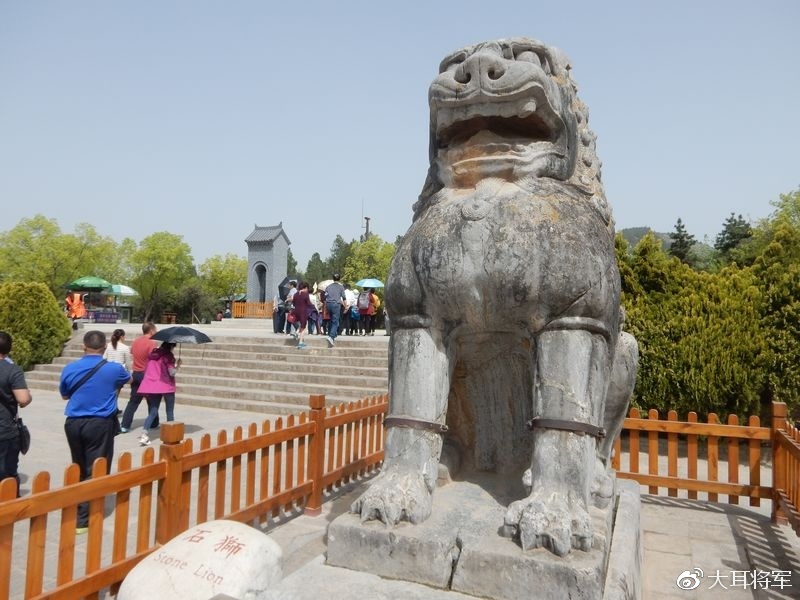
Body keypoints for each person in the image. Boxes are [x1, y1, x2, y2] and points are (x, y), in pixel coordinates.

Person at [60, 330, 130, 532]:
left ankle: (79, 503)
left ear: (84, 346)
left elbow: (65, 395)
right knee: (97, 466)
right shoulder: (114, 369)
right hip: (99, 423)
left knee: (79, 464)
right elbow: (129, 379)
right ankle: (83, 518)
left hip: (73, 423)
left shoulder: (70, 368)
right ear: (104, 347)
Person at [0, 332, 32, 495]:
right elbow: (23, 399)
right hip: (5, 429)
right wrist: (29, 396)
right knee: (7, 473)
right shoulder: (12, 370)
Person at [137, 341, 181, 446]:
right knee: (169, 411)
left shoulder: (152, 355)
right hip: (166, 386)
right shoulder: (168, 356)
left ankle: (144, 434)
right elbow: (172, 373)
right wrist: (178, 366)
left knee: (153, 411)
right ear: (171, 346)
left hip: (153, 386)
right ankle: (171, 435)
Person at [120, 322, 159, 433]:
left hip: (136, 374)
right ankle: (153, 423)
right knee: (152, 400)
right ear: (151, 330)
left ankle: (125, 425)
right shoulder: (152, 343)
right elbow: (154, 358)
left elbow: (132, 352)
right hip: (146, 375)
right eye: (155, 330)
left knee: (133, 401)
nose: (156, 331)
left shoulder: (136, 341)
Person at [103, 329, 130, 412]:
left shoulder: (108, 345)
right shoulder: (125, 348)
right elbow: (128, 363)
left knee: (110, 391)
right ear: (121, 337)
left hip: (108, 371)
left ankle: (113, 408)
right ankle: (112, 409)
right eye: (124, 336)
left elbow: (104, 358)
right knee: (116, 392)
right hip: (119, 372)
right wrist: (128, 373)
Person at [323, 273, 346, 347]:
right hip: (336, 304)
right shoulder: (341, 287)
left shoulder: (328, 286)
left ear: (333, 278)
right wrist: (345, 306)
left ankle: (330, 334)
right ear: (339, 279)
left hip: (328, 304)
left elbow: (325, 296)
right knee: (335, 321)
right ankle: (331, 336)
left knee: (331, 320)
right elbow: (344, 298)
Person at [291, 281, 314, 349]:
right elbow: (309, 303)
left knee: (301, 325)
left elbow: (293, 303)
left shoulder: (295, 294)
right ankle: (300, 343)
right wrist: (313, 307)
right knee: (303, 327)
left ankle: (296, 332)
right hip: (303, 311)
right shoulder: (305, 294)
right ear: (306, 287)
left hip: (296, 311)